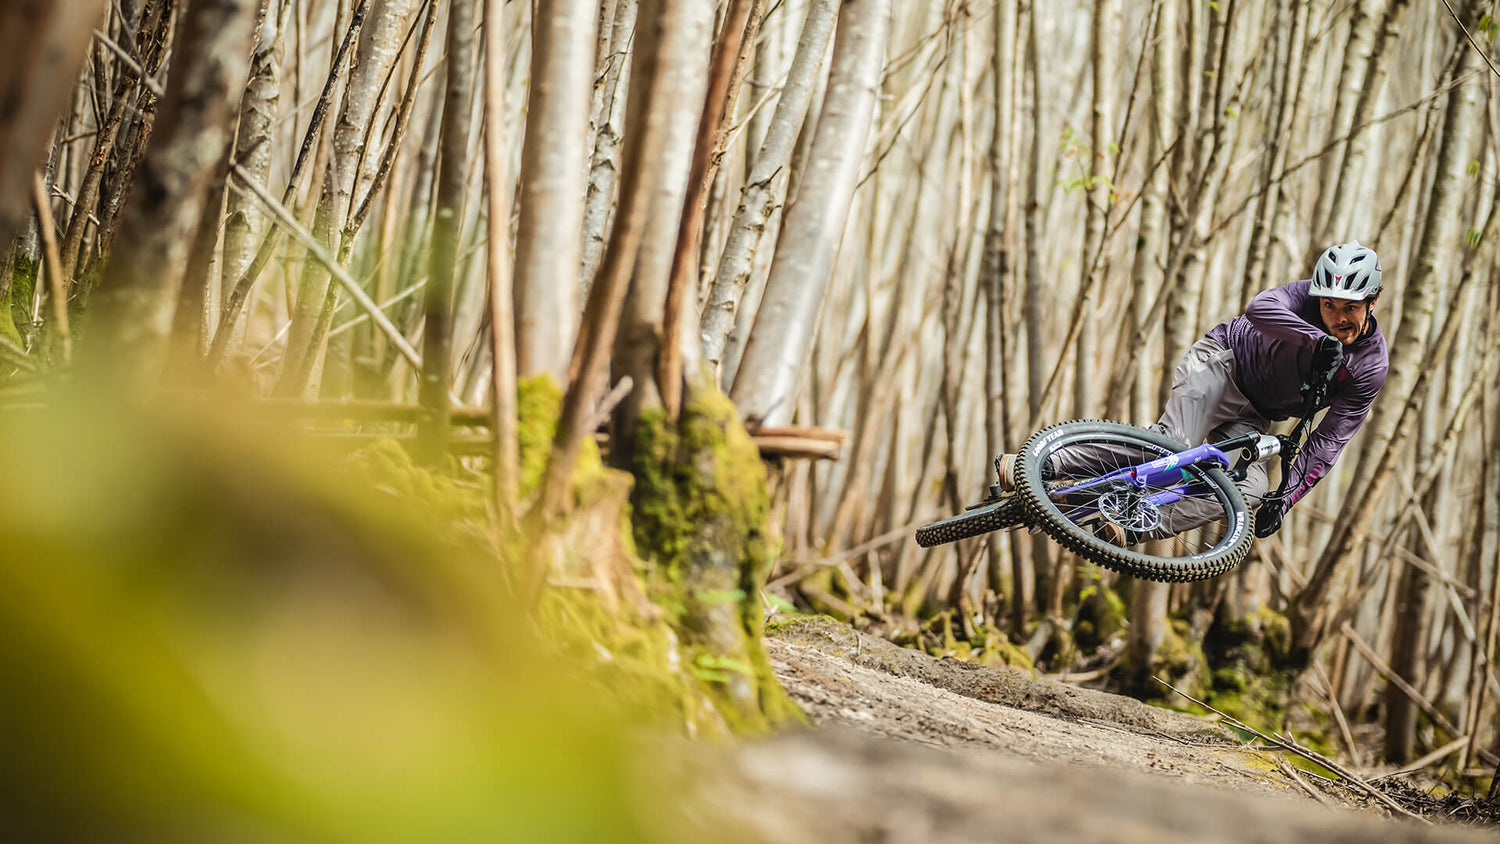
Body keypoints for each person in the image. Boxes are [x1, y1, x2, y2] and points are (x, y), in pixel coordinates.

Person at [1000, 240, 1390, 541]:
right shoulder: (1302, 296)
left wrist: (1285, 499)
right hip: (1222, 365)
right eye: (1329, 306)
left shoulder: (1369, 367)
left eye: (1350, 308)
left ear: (1372, 302)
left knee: (1250, 489)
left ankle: (1134, 523)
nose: (1338, 318)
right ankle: (1039, 466)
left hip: (1255, 416)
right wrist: (1316, 342)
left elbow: (1327, 443)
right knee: (1172, 447)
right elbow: (1259, 308)